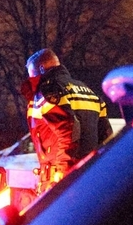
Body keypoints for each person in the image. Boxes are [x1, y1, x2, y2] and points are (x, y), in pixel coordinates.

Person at [22, 48, 112, 194]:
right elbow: (106, 136)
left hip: (63, 177)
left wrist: (61, 176)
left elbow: (68, 130)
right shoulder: (89, 92)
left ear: (41, 68)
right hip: (91, 175)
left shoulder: (48, 90)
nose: (31, 79)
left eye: (31, 74)